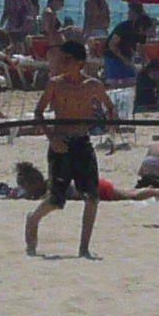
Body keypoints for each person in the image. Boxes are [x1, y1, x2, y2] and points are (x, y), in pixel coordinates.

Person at [25, 37, 113, 258]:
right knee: (56, 200)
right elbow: (39, 112)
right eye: (61, 59)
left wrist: (110, 131)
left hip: (83, 143)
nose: (62, 63)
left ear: (80, 62)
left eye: (67, 59)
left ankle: (83, 248)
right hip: (61, 144)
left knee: (92, 197)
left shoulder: (93, 85)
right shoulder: (55, 84)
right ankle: (33, 219)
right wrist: (51, 138)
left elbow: (111, 108)